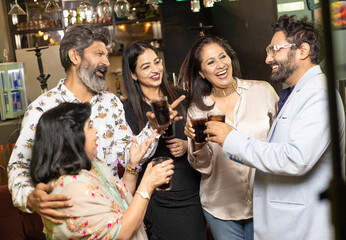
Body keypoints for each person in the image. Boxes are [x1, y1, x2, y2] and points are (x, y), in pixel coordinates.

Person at [7, 25, 183, 224]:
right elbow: (18, 168)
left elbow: (128, 156)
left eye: (106, 55)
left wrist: (154, 127)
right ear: (75, 57)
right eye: (99, 54)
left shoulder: (111, 102)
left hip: (114, 214)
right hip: (70, 221)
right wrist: (31, 198)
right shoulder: (42, 108)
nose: (106, 62)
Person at [205, 15, 346, 239]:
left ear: (303, 51)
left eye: (274, 50)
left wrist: (232, 138)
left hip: (304, 226)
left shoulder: (319, 95)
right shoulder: (296, 93)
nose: (268, 59)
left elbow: (295, 158)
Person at [30, 102, 174, 239]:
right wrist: (147, 185)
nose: (96, 131)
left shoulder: (93, 165)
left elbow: (120, 201)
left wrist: (133, 164)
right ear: (72, 137)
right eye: (90, 126)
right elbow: (121, 232)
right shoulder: (72, 189)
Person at [183, 35, 278, 240]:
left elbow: (281, 143)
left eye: (222, 57)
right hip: (220, 208)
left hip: (265, 203)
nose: (220, 65)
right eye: (210, 62)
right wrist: (197, 143)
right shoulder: (197, 110)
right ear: (201, 72)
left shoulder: (262, 91)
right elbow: (204, 167)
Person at [122, 41, 207, 240]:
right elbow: (129, 157)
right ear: (133, 75)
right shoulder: (127, 109)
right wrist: (156, 128)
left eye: (156, 62)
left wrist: (188, 145)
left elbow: (203, 135)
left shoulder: (183, 97)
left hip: (192, 191)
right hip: (157, 197)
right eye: (146, 66)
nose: (155, 69)